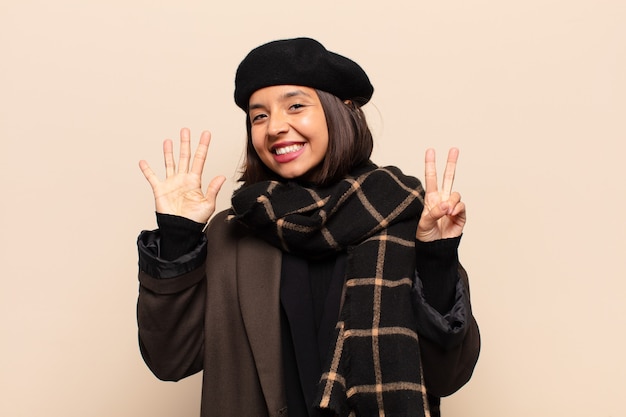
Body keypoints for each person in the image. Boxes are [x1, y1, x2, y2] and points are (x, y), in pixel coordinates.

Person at [136, 37, 480, 417]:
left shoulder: (404, 220)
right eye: (259, 116)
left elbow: (449, 375)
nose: (274, 128)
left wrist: (437, 259)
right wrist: (178, 236)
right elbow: (170, 360)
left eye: (295, 106)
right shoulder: (234, 233)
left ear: (343, 112)